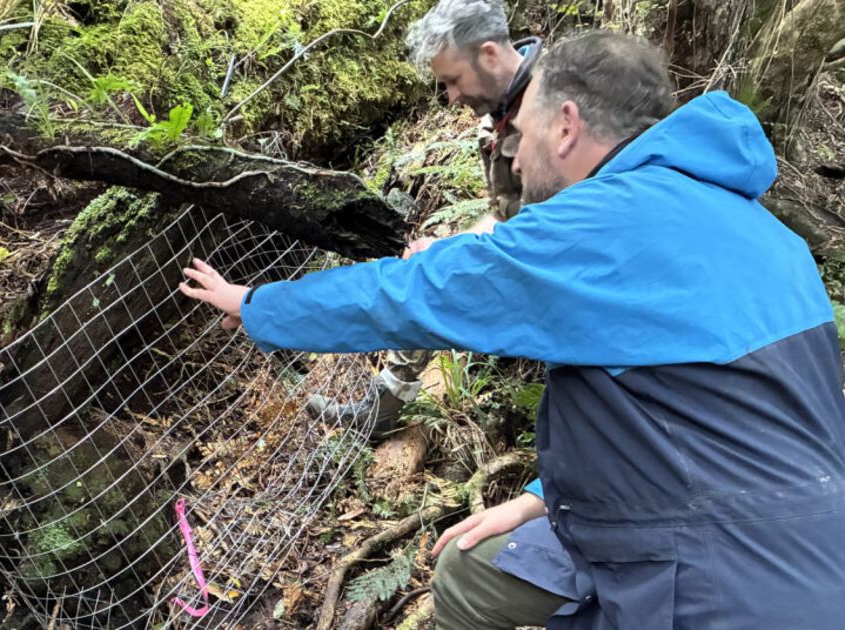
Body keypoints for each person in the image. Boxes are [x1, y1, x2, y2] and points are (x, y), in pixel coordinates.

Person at [179, 30, 845, 630]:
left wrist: (256, 306)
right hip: (804, 543)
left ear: (565, 126)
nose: (516, 161)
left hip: (719, 578)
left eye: (519, 136)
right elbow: (695, 412)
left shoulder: (595, 228)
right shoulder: (768, 235)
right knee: (470, 571)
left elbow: (412, 294)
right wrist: (537, 501)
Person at [309, 0, 543, 437]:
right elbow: (504, 214)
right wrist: (447, 248)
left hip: (566, 277)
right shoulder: (495, 118)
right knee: (430, 261)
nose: (451, 97)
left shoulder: (556, 106)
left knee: (434, 279)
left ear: (489, 54)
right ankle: (389, 399)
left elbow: (559, 225)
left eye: (453, 80)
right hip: (527, 256)